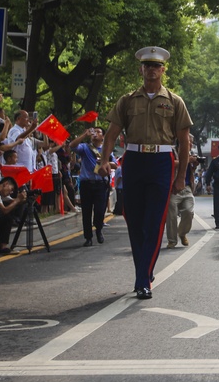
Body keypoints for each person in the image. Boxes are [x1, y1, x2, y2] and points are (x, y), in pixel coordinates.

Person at [100, 46, 192, 300]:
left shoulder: (174, 101)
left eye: (156, 66)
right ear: (141, 69)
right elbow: (111, 134)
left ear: (163, 70)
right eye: (147, 66)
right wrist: (103, 160)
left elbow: (184, 142)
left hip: (162, 162)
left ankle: (143, 280)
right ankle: (145, 267)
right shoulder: (127, 100)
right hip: (134, 160)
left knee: (154, 222)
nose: (151, 70)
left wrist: (181, 175)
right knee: (134, 220)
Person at [73, 126, 110, 247]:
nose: (95, 134)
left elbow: (115, 164)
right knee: (86, 212)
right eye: (94, 131)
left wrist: (106, 163)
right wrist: (84, 135)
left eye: (99, 132)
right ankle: (88, 237)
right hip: (86, 184)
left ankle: (98, 228)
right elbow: (72, 146)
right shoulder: (85, 147)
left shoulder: (106, 150)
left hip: (100, 184)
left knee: (100, 210)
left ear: (103, 136)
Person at [167, 137, 198, 248]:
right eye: (189, 141)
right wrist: (187, 160)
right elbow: (169, 164)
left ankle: (182, 233)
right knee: (171, 215)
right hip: (173, 188)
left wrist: (194, 164)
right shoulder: (171, 150)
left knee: (189, 211)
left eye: (192, 142)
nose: (191, 144)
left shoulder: (191, 153)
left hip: (187, 187)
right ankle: (172, 240)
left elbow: (190, 170)